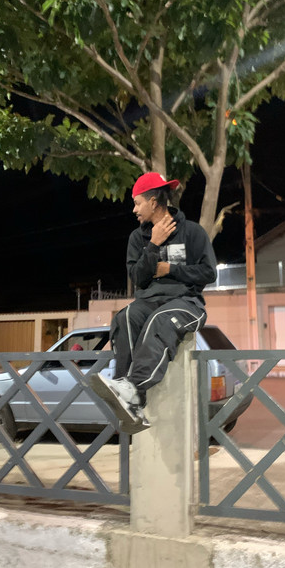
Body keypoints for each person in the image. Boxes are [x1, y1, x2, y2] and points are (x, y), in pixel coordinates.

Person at [89, 172, 217, 434]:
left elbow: (208, 272)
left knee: (160, 320)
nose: (134, 209)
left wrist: (171, 269)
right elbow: (138, 278)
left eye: (137, 203)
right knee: (124, 318)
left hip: (186, 302)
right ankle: (130, 400)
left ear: (154, 202)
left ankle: (133, 390)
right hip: (149, 300)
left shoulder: (192, 232)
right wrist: (153, 245)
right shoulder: (138, 239)